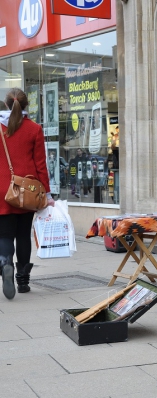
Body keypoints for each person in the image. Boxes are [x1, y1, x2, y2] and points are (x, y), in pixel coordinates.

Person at [0, 89, 54, 300]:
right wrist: (47, 194)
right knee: (23, 235)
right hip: (27, 190)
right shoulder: (34, 129)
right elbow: (41, 164)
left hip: (1, 190)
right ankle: (23, 282)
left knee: (4, 235)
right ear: (25, 106)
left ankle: (5, 264)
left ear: (6, 104)